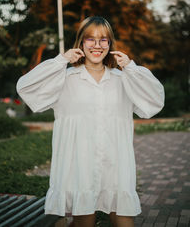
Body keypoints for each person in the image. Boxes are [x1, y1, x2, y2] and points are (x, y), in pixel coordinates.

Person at [16, 16, 165, 227]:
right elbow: (25, 88)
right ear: (80, 43)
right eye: (90, 39)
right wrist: (61, 60)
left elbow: (156, 100)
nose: (97, 45)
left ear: (110, 44)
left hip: (116, 169)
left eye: (103, 39)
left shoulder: (123, 80)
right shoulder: (66, 79)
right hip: (80, 171)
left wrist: (131, 67)